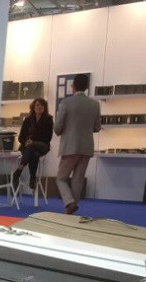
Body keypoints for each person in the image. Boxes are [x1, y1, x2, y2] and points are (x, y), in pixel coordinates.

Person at [53, 74, 101, 215]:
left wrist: (62, 130)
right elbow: (97, 127)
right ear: (86, 87)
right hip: (86, 147)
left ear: (73, 85)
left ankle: (69, 202)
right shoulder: (94, 104)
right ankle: (71, 208)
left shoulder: (66, 103)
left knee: (61, 178)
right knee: (78, 179)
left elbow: (58, 127)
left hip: (70, 146)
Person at [12, 97, 53, 190]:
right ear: (33, 107)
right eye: (37, 105)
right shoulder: (28, 120)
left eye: (42, 105)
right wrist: (26, 141)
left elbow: (48, 138)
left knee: (31, 146)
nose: (40, 107)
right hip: (28, 146)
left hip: (42, 145)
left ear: (45, 107)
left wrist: (33, 141)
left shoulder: (48, 119)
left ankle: (18, 171)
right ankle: (33, 177)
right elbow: (21, 137)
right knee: (34, 153)